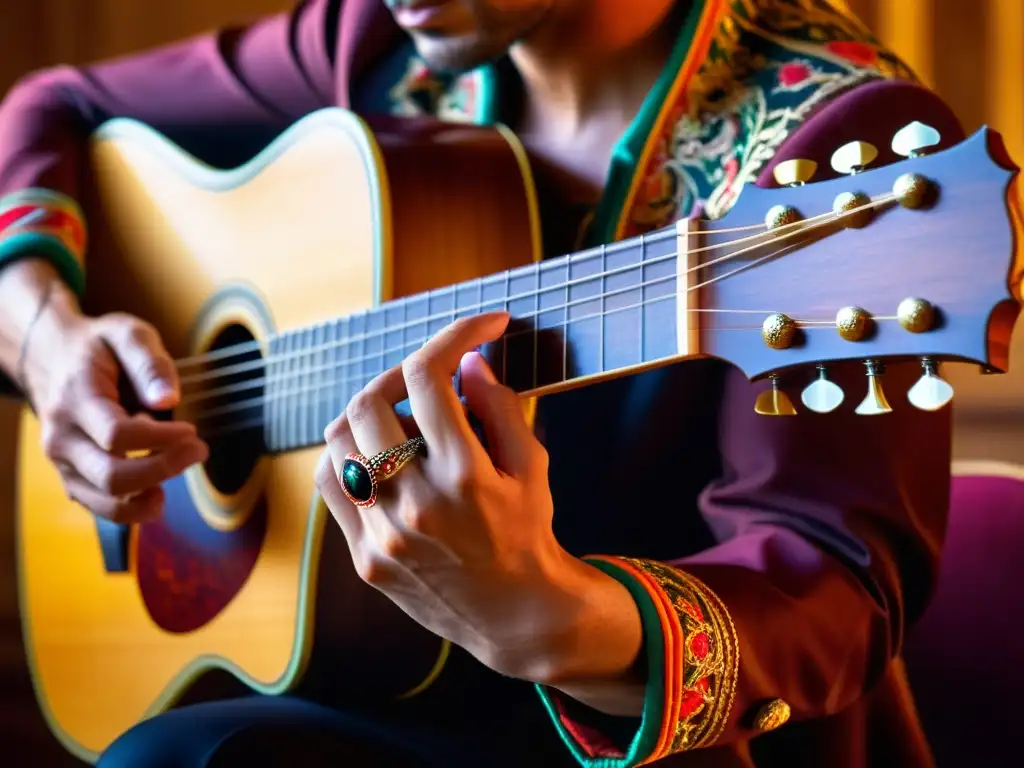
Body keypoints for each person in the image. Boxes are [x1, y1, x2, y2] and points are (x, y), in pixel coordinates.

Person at [0, 1, 965, 766]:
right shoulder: (379, 40)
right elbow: (49, 107)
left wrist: (551, 615)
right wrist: (43, 332)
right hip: (386, 681)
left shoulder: (841, 143)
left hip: (657, 738)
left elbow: (833, 595)